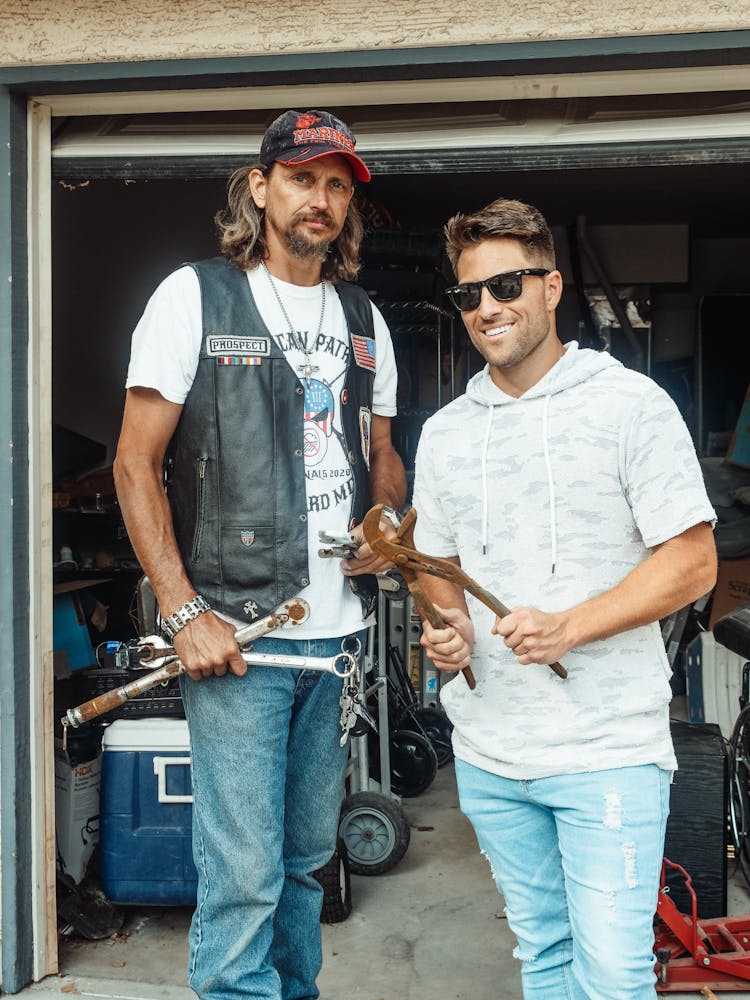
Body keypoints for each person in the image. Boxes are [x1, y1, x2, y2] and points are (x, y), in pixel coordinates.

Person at [113, 109, 406, 1000]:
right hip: (240, 636)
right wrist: (183, 609)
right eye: (303, 178)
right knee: (243, 876)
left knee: (307, 863)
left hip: (335, 639)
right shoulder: (195, 296)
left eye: (337, 185)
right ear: (260, 186)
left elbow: (384, 457)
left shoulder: (364, 319)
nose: (321, 199)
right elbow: (135, 463)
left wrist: (385, 525)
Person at [411, 197, 717, 999]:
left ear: (551, 288)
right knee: (543, 956)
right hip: (489, 754)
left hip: (605, 751)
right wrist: (445, 630)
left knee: (614, 975)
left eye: (506, 286)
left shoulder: (630, 407)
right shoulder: (444, 433)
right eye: (468, 295)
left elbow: (692, 563)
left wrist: (571, 626)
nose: (487, 309)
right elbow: (434, 564)